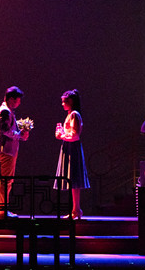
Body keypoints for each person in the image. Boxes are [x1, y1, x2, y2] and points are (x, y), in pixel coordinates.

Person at [0, 86, 30, 219]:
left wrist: (20, 134)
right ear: (11, 99)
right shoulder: (5, 111)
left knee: (8, 180)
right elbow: (5, 130)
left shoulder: (8, 111)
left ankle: (3, 209)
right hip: (6, 150)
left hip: (9, 150)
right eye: (18, 100)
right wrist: (19, 135)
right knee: (6, 180)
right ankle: (2, 210)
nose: (19, 103)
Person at [54, 89, 90, 220]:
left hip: (72, 147)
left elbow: (74, 135)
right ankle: (76, 209)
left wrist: (62, 136)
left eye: (65, 101)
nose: (62, 104)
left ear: (71, 102)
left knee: (74, 178)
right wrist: (62, 134)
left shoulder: (74, 114)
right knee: (72, 179)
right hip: (69, 146)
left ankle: (76, 209)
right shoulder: (70, 114)